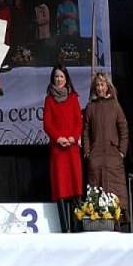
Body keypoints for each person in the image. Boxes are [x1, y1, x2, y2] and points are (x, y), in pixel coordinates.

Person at [82, 72, 130, 229]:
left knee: (116, 194)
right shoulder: (90, 107)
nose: (100, 88)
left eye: (102, 85)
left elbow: (123, 129)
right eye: (97, 85)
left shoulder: (115, 105)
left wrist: (121, 151)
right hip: (96, 158)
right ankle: (99, 227)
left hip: (113, 158)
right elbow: (85, 132)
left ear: (107, 86)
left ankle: (117, 226)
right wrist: (87, 152)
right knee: (97, 193)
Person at [43, 66, 82, 232]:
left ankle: (77, 228)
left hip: (72, 150)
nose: (59, 79)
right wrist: (58, 138)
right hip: (58, 150)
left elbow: (78, 121)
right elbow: (47, 124)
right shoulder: (49, 100)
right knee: (61, 188)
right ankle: (65, 229)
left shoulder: (73, 98)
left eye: (61, 76)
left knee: (75, 187)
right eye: (56, 77)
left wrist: (73, 137)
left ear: (66, 79)